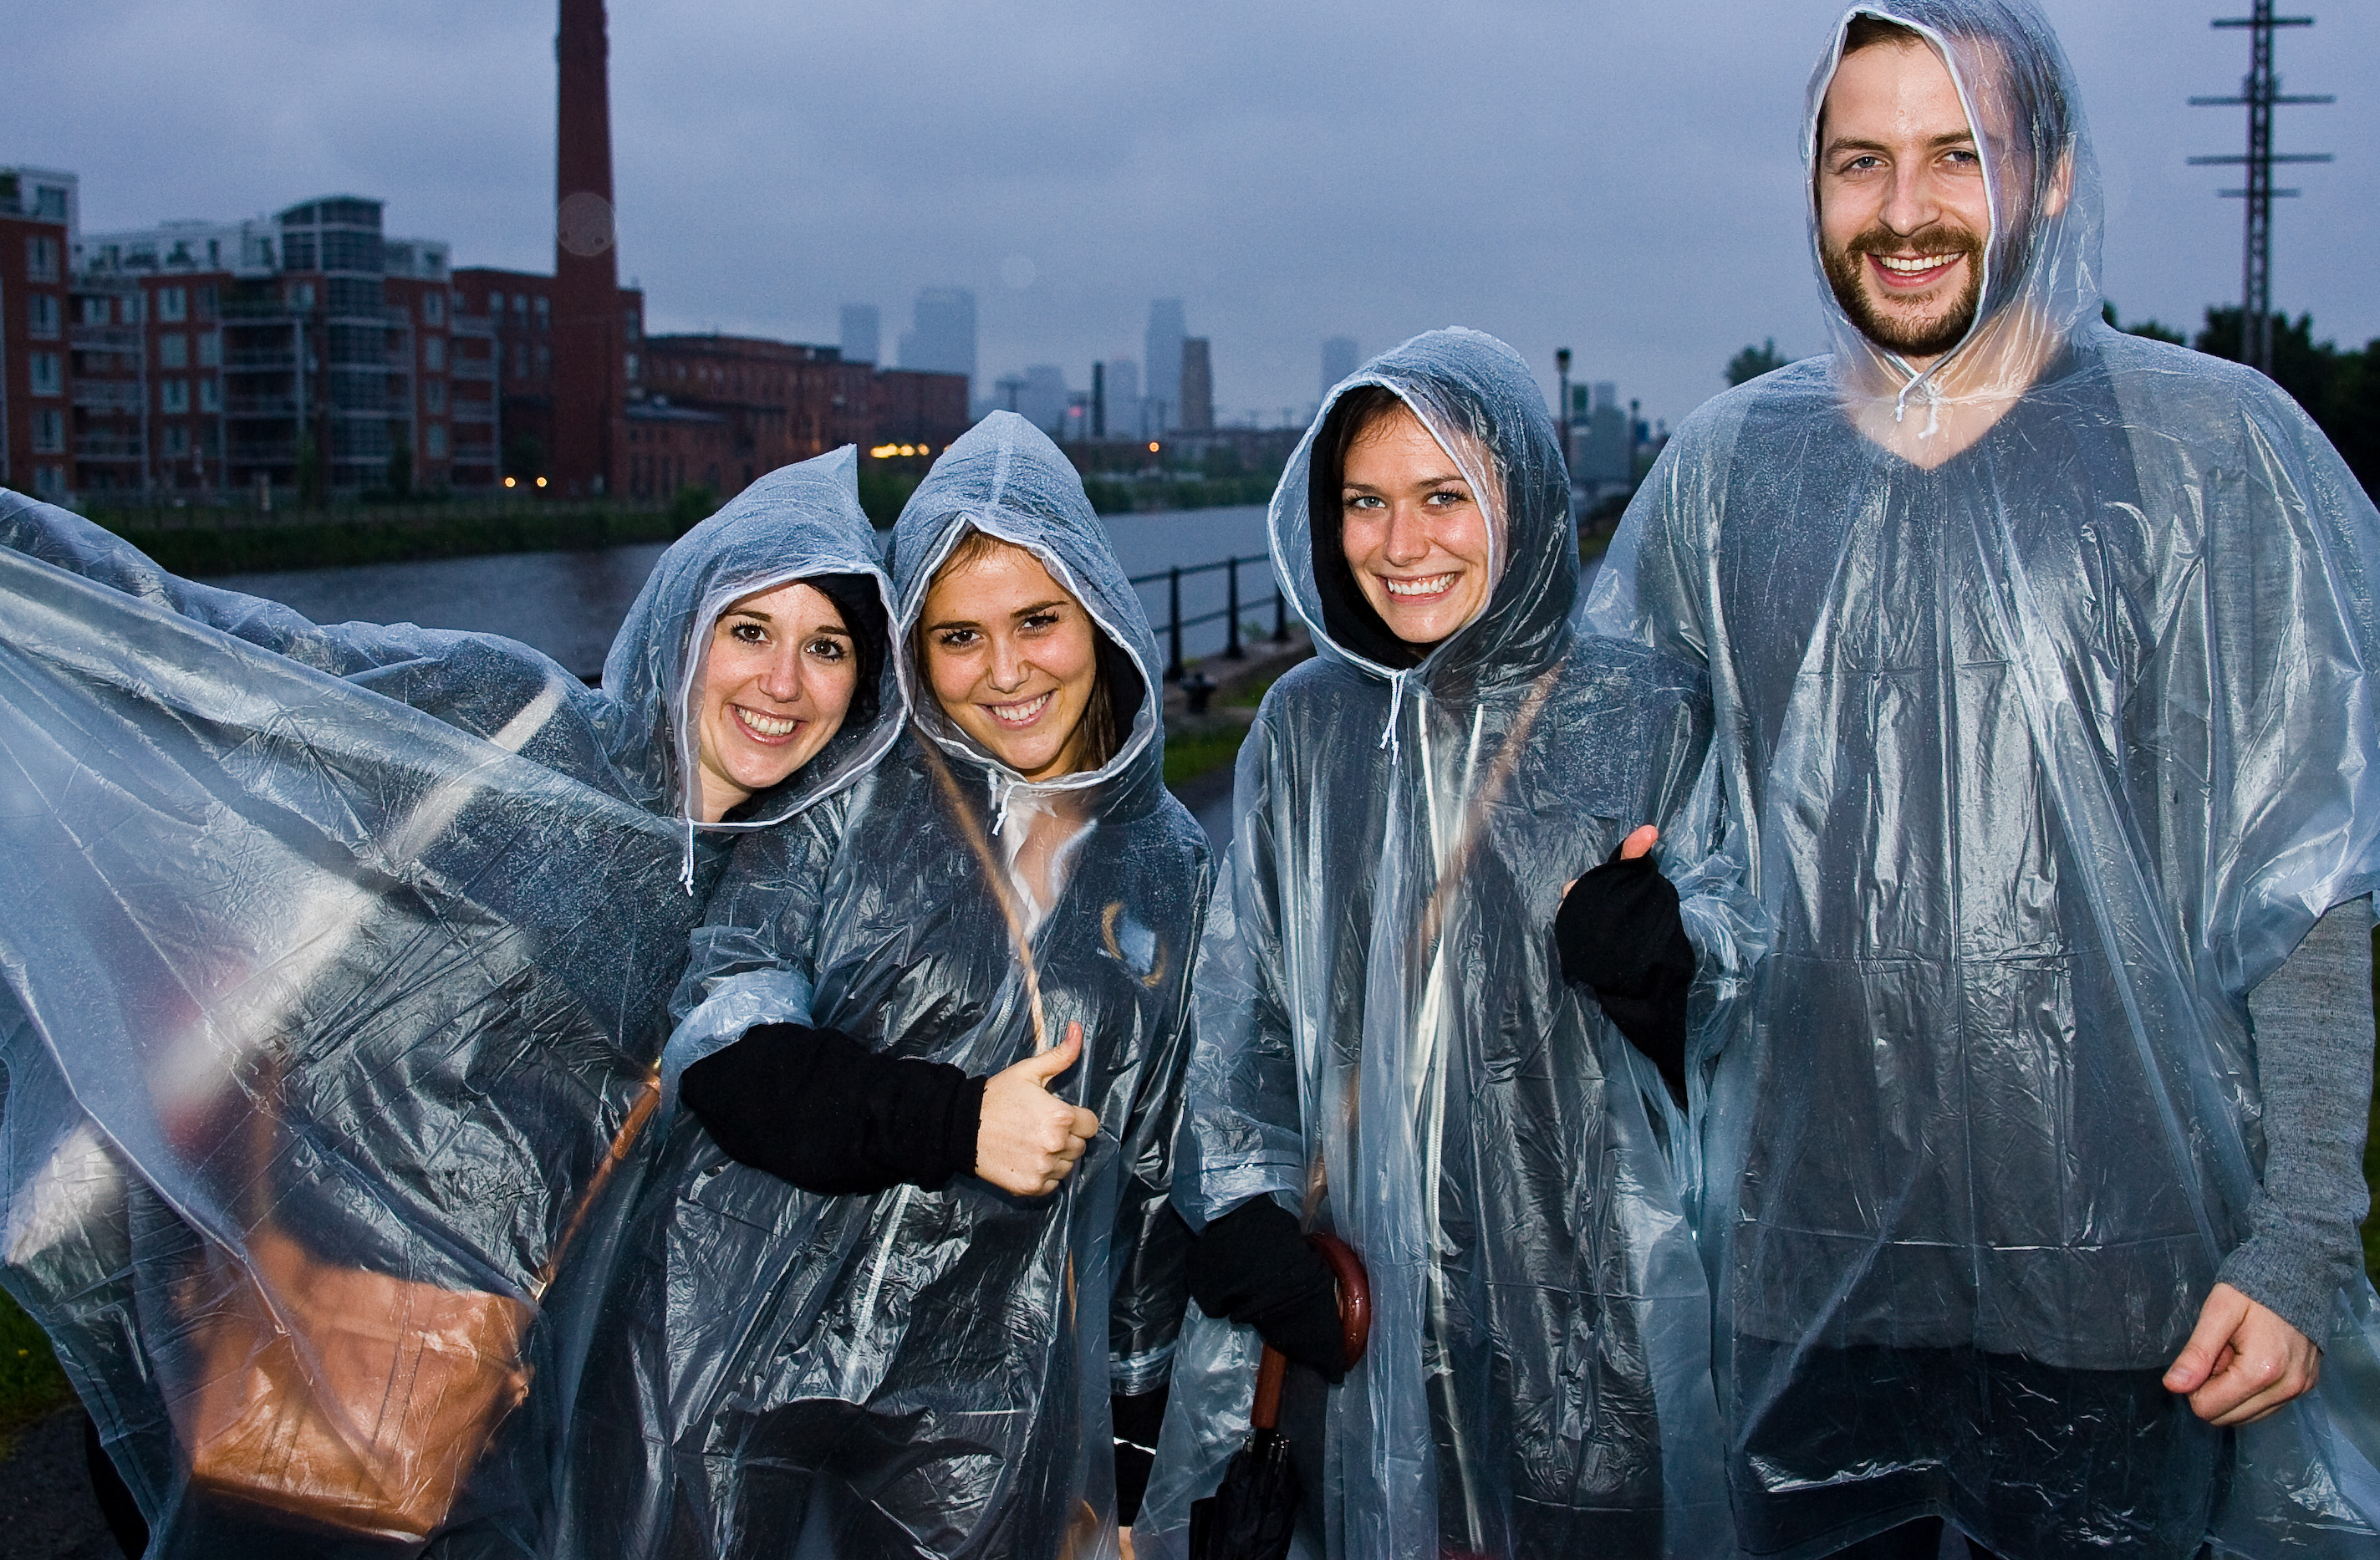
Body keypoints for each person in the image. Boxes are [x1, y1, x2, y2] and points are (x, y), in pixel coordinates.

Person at [1587, 0, 2380, 1560]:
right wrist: (1642, 936)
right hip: (1809, 1283)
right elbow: (1636, 817)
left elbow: (2309, 880)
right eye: (1858, 160)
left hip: (2129, 1283)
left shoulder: (2207, 452)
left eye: (1960, 152)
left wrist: (2302, 1234)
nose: (1904, 210)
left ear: (2056, 174)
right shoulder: (1730, 475)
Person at [0, 451, 902, 1556]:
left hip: (484, 1409)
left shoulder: (773, 903)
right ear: (683, 628)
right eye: (749, 630)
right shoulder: (511, 716)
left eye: (827, 648)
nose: (781, 682)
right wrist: (24, 552)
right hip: (269, 1312)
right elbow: (236, 663)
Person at [1137, 329, 1743, 1560]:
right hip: (1357, 1319)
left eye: (1443, 496)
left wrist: (1671, 971)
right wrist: (1245, 1215)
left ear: (1522, 501)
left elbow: (1764, 1013)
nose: (1400, 544)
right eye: (1365, 502)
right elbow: (1243, 1007)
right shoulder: (1309, 727)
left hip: (1594, 1326)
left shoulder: (1646, 712)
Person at [560, 412, 1209, 1559]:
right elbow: (726, 1036)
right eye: (959, 635)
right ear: (914, 642)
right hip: (720, 1344)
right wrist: (958, 1122)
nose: (1005, 671)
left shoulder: (1169, 860)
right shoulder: (852, 787)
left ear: (1098, 613)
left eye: (1038, 621)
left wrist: (1131, 1456)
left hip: (983, 1401)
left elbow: (1154, 1178)